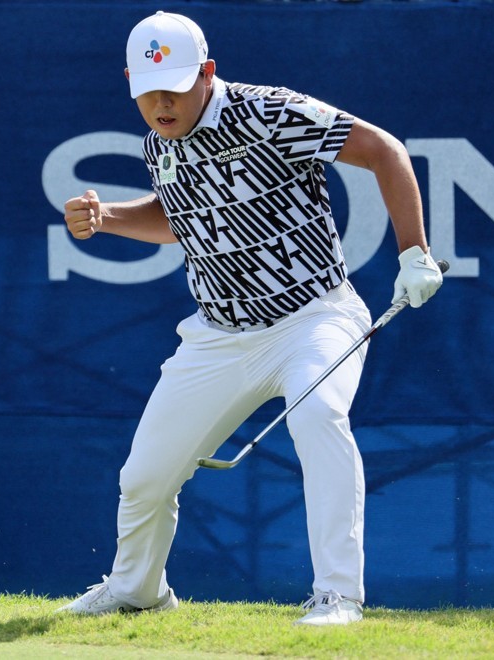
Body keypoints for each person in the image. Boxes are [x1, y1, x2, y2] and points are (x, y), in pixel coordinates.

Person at [56, 11, 443, 626]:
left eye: (175, 87)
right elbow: (178, 218)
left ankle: (338, 596)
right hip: (218, 336)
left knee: (319, 415)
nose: (161, 103)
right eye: (147, 91)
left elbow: (383, 151)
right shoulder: (159, 139)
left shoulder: (270, 112)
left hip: (315, 317)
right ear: (130, 81)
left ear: (207, 73)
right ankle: (137, 591)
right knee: (146, 477)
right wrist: (110, 218)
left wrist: (414, 252)